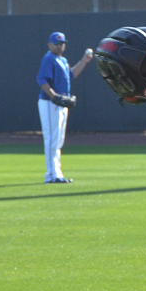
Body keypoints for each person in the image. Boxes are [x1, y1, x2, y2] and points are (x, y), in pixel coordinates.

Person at [36, 32, 93, 183]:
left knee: (59, 140)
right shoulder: (49, 59)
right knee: (52, 139)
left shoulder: (62, 60)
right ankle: (51, 175)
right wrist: (54, 96)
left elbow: (71, 74)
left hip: (61, 103)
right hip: (49, 103)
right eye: (56, 43)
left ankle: (57, 173)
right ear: (49, 45)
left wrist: (84, 61)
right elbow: (41, 80)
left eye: (61, 43)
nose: (59, 45)